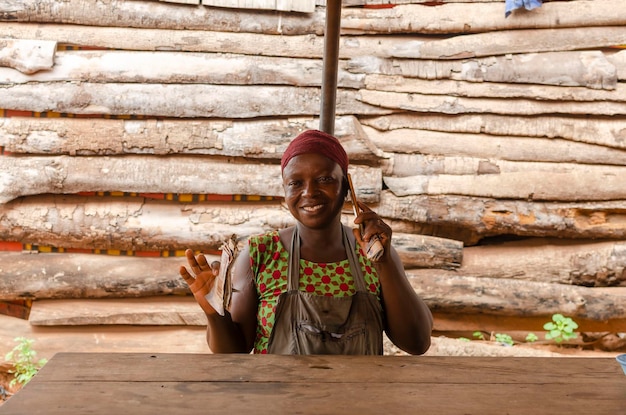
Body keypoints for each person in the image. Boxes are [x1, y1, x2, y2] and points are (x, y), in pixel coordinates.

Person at [179, 129, 433, 355]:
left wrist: (385, 263)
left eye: (324, 179)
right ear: (285, 190)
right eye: (296, 183)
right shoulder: (261, 253)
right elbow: (234, 351)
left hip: (358, 404)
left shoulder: (373, 254)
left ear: (347, 186)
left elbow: (416, 342)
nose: (309, 192)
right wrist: (214, 311)